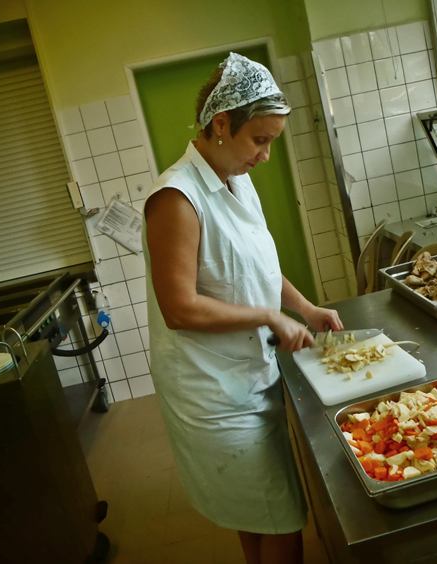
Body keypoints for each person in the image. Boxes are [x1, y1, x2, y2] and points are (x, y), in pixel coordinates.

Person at [142, 52, 344, 564]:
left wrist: (304, 308)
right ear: (220, 124)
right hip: (213, 390)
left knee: (257, 511)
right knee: (280, 518)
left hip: (249, 373)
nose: (265, 156)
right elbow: (178, 308)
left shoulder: (237, 180)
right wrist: (268, 317)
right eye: (259, 140)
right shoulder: (176, 198)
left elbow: (257, 266)